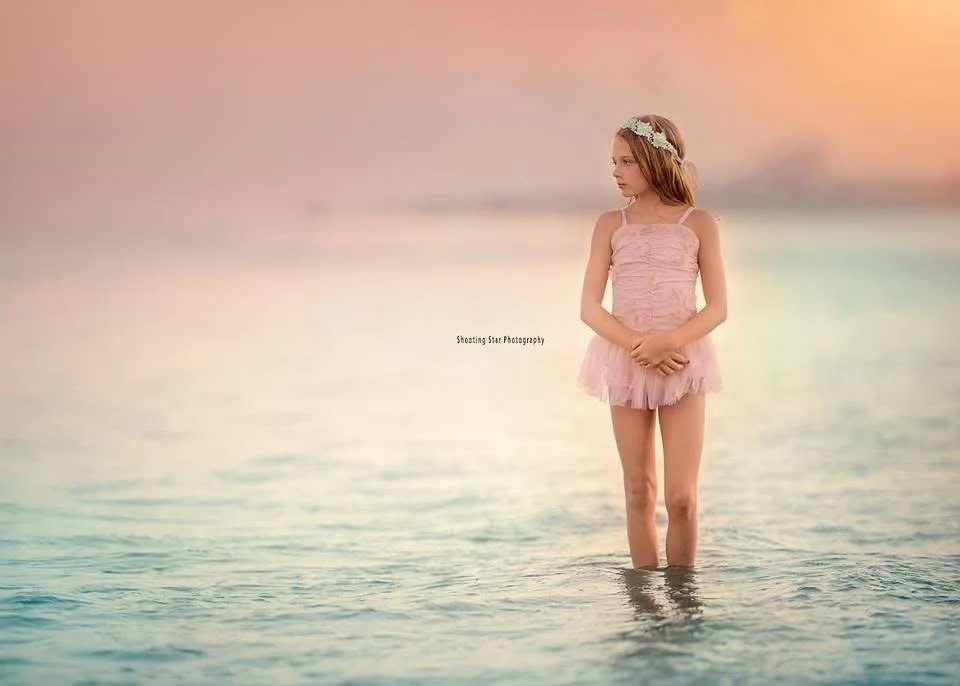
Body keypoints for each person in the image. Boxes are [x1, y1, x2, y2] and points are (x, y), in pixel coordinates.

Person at [577, 114, 727, 570]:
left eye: (626, 161)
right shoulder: (610, 224)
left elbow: (718, 307)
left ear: (653, 159)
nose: (616, 171)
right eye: (612, 163)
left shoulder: (698, 223)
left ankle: (683, 598)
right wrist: (641, 344)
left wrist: (671, 341)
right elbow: (590, 308)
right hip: (626, 361)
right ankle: (643, 604)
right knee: (639, 489)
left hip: (682, 362)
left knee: (681, 497)